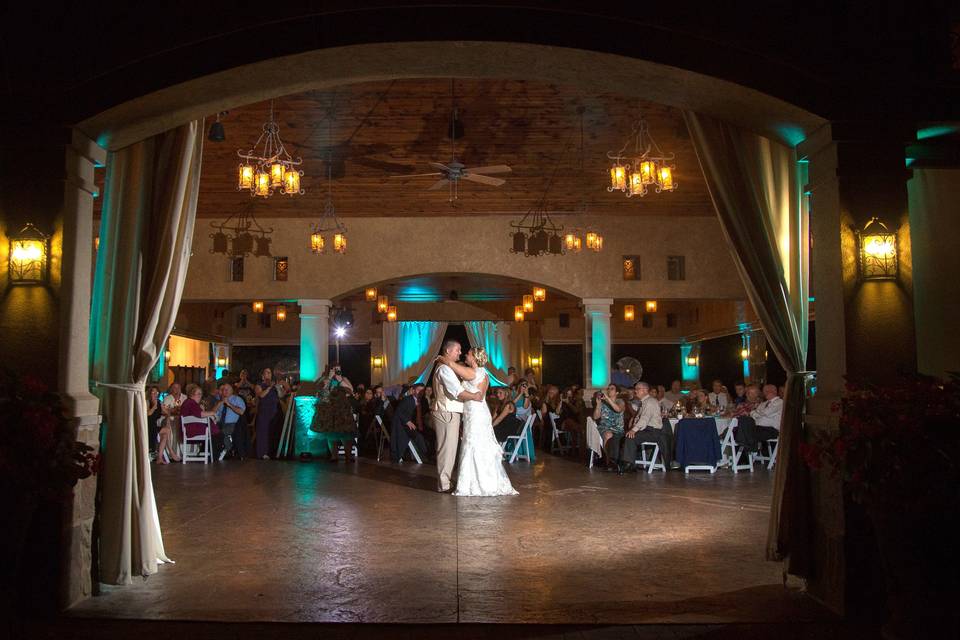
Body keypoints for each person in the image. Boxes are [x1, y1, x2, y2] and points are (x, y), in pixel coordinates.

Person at [437, 347, 517, 497]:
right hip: (478, 412)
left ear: (474, 358)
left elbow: (453, 365)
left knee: (473, 444)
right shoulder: (482, 373)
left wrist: (442, 358)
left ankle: (475, 483)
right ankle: (487, 480)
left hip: (475, 413)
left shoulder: (474, 372)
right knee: (481, 445)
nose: (465, 355)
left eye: (467, 353)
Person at [430, 340, 484, 493]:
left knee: (449, 448)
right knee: (447, 449)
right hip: (446, 412)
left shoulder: (446, 367)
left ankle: (445, 481)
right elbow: (457, 391)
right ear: (448, 351)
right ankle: (444, 484)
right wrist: (475, 396)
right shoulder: (444, 370)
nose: (460, 353)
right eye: (457, 350)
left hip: (448, 411)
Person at [311, 363, 357, 463]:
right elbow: (321, 392)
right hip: (330, 410)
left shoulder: (343, 379)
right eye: (335, 369)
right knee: (331, 434)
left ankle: (348, 456)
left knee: (345, 433)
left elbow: (351, 390)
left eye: (338, 369)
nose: (337, 371)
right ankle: (334, 456)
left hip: (343, 410)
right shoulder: (325, 379)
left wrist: (340, 379)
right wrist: (330, 378)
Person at [624, 381, 673, 472]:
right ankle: (629, 463)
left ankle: (629, 464)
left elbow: (644, 419)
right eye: (635, 389)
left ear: (645, 390)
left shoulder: (650, 402)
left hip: (653, 432)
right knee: (628, 436)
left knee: (630, 437)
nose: (635, 391)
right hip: (648, 430)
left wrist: (633, 430)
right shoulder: (645, 402)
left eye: (637, 389)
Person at [390, 383, 428, 463]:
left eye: (422, 391)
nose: (420, 392)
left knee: (431, 434)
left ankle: (432, 455)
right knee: (419, 437)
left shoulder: (423, 401)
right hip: (405, 425)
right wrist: (407, 421)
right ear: (413, 391)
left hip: (420, 425)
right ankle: (426, 455)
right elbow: (399, 412)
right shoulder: (407, 399)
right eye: (418, 390)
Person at [592, 383, 625, 472]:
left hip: (618, 429)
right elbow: (595, 417)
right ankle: (609, 461)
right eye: (608, 388)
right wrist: (598, 404)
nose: (609, 390)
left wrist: (608, 399)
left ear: (617, 392)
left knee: (612, 435)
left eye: (612, 389)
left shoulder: (620, 401)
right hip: (605, 428)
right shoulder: (603, 403)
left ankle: (614, 461)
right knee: (608, 434)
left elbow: (618, 409)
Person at [254, 367, 284, 460]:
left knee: (273, 432)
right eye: (267, 373)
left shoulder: (275, 386)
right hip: (264, 411)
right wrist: (270, 387)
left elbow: (281, 395)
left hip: (274, 411)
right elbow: (261, 395)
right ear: (263, 376)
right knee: (263, 432)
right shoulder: (259, 385)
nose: (269, 375)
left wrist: (278, 388)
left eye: (270, 373)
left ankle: (273, 452)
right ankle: (263, 453)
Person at [213, 382, 246, 459]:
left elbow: (241, 412)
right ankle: (217, 452)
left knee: (221, 433)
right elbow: (213, 412)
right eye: (223, 390)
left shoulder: (237, 399)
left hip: (232, 424)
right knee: (212, 432)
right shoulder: (219, 400)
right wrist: (220, 403)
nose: (224, 391)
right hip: (220, 423)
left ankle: (228, 448)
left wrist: (229, 405)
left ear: (231, 391)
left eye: (227, 390)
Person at [146, 385, 162, 458]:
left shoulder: (159, 403)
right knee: (165, 432)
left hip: (154, 425)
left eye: (157, 392)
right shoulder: (147, 402)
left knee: (166, 432)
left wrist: (167, 420)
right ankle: (152, 451)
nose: (155, 394)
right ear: (150, 394)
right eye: (153, 392)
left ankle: (160, 455)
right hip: (148, 425)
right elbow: (148, 414)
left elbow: (167, 412)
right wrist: (154, 406)